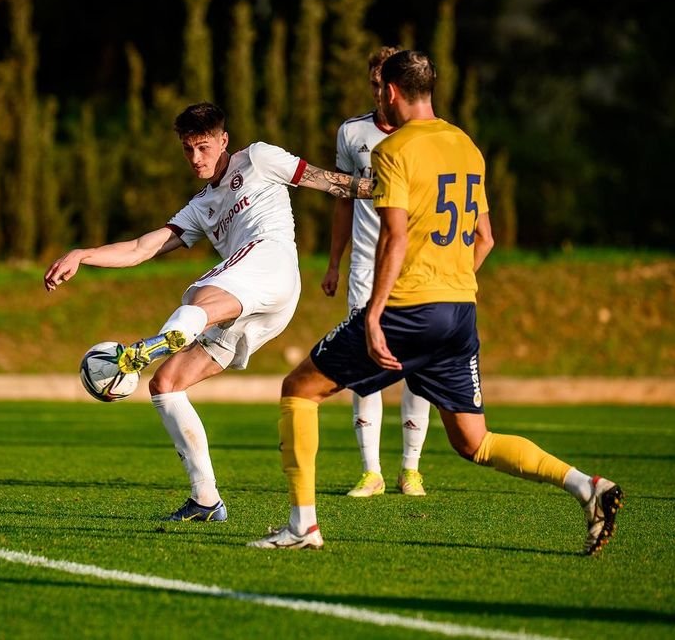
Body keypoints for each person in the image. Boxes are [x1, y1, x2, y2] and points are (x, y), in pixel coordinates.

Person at [250, 51, 623, 554]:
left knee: (299, 389)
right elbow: (484, 237)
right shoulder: (466, 146)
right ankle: (587, 487)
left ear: (391, 93)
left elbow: (394, 238)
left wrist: (377, 313)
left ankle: (302, 527)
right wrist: (451, 285)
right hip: (459, 311)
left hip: (409, 307)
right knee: (475, 442)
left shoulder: (394, 150)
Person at [44, 102, 378, 522]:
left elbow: (329, 183)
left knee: (198, 296)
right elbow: (140, 249)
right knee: (166, 384)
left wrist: (386, 188)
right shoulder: (200, 206)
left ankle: (147, 349)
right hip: (249, 304)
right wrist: (83, 254)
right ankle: (206, 499)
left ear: (223, 140)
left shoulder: (257, 157)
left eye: (204, 147)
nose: (196, 158)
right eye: (188, 150)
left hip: (269, 264)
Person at [321, 46, 432, 498]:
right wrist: (333, 262)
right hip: (367, 266)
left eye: (380, 86)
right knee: (366, 360)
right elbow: (344, 200)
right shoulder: (352, 133)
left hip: (417, 265)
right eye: (371, 84)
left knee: (415, 365)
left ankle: (411, 468)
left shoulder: (427, 136)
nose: (377, 94)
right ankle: (372, 471)